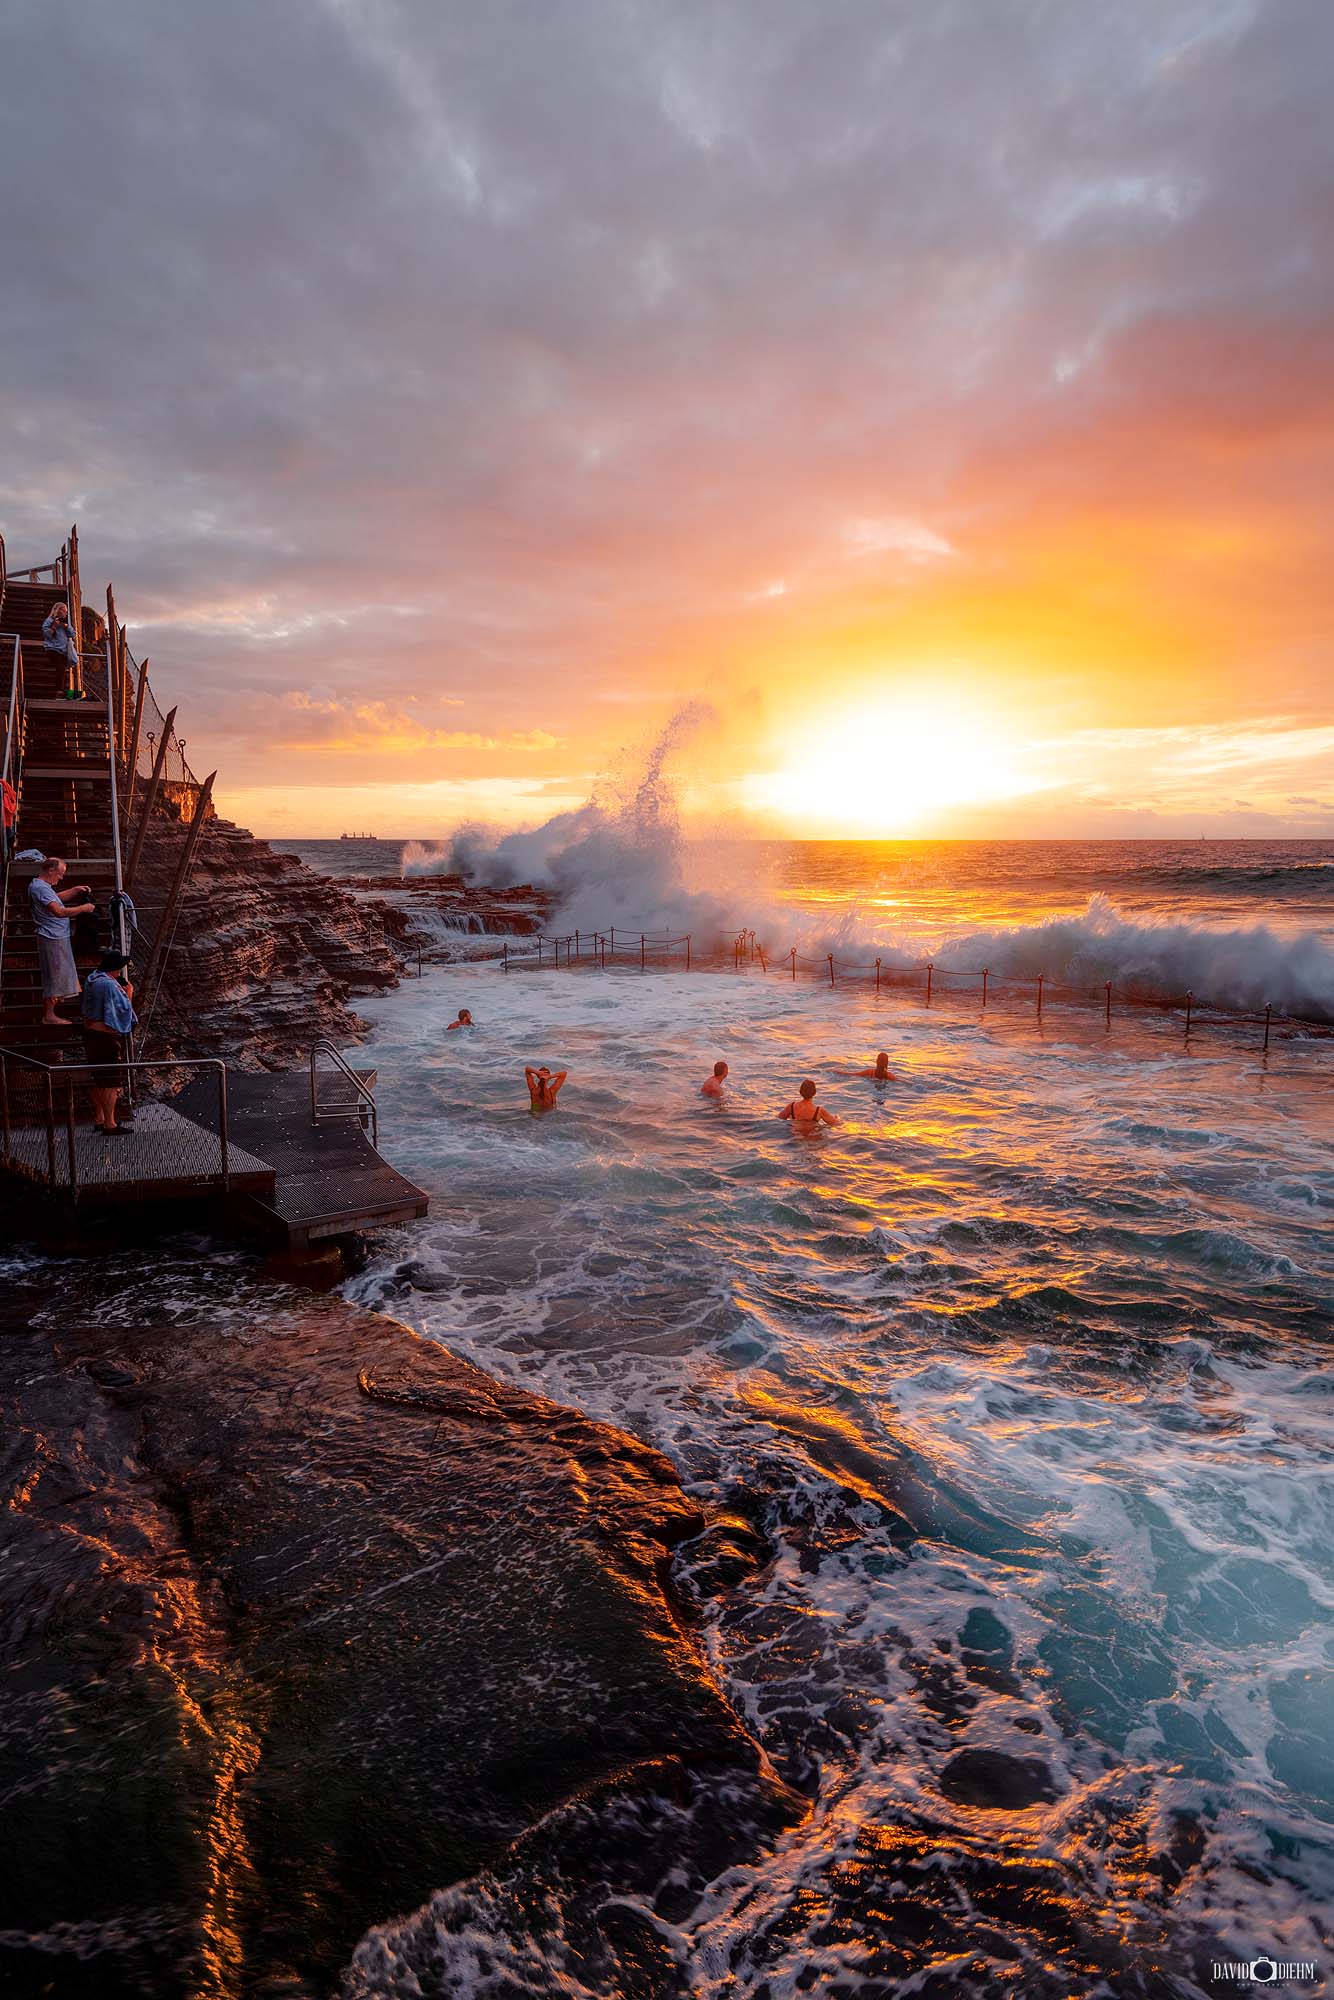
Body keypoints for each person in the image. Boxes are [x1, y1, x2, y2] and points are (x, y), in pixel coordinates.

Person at [28, 857, 95, 1025]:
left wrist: (74, 890)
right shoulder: (40, 888)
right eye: (60, 874)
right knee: (55, 976)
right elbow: (58, 911)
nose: (61, 878)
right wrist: (83, 909)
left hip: (56, 935)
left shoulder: (42, 887)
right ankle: (49, 1015)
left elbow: (56, 898)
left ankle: (52, 1011)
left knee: (60, 975)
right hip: (52, 936)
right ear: (50, 870)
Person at [81, 951, 138, 1135]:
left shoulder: (93, 979)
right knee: (111, 1082)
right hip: (105, 1038)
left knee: (99, 1079)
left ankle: (100, 1118)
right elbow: (122, 1013)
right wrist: (128, 994)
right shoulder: (109, 986)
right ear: (115, 969)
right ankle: (110, 1124)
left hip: (91, 1034)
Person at [41, 602, 81, 696]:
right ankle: (59, 690)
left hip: (63, 651)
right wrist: (54, 626)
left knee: (63, 670)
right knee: (61, 668)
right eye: (64, 611)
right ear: (57, 610)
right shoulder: (49, 621)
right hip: (52, 649)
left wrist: (66, 626)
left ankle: (62, 691)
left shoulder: (65, 622)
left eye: (66, 612)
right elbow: (46, 635)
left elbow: (73, 635)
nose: (66, 613)